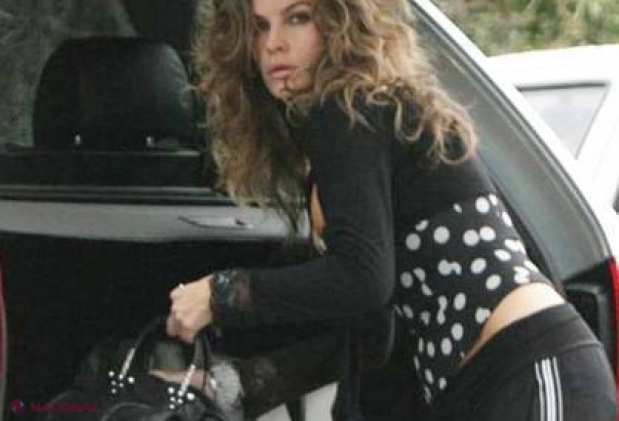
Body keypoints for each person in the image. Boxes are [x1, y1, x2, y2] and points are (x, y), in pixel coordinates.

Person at [165, 0, 617, 419]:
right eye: (259, 27)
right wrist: (239, 383)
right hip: (482, 383)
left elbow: (362, 279)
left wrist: (222, 294)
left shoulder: (347, 110)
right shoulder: (347, 127)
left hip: (526, 365)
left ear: (340, 24)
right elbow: (376, 331)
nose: (273, 44)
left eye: (298, 18)